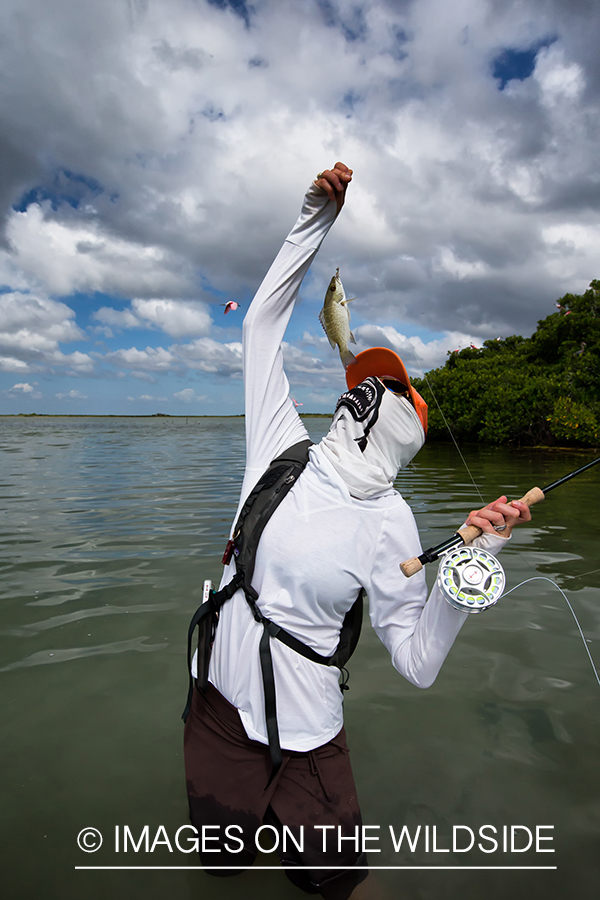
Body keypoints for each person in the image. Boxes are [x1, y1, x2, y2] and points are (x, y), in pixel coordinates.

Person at [183, 162, 532, 899]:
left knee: (343, 886)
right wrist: (315, 217)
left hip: (310, 742)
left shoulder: (393, 521)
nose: (363, 387)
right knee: (220, 863)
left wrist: (470, 567)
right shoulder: (280, 444)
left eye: (386, 384)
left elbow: (418, 661)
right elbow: (259, 326)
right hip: (213, 707)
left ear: (402, 424)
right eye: (362, 379)